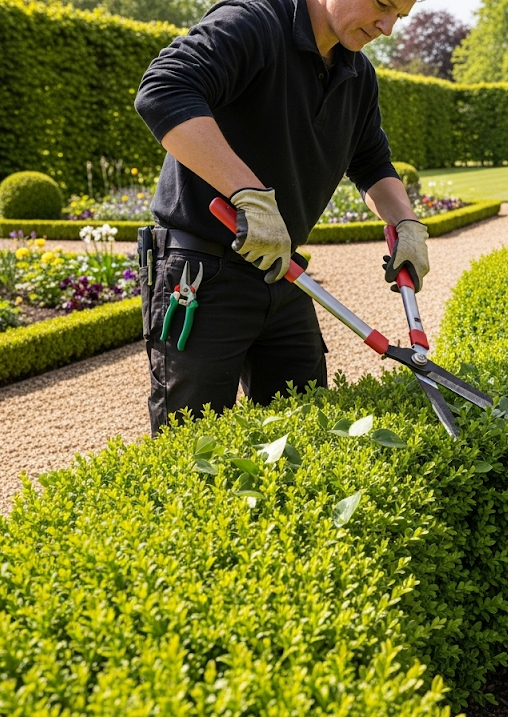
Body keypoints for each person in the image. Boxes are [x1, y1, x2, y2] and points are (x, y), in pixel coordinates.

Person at [133, 0, 428, 434]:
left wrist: (406, 223)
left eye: (399, 16)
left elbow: (372, 164)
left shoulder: (358, 75)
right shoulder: (252, 23)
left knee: (306, 429)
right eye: (383, 4)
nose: (387, 27)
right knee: (194, 444)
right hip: (200, 275)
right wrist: (247, 194)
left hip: (282, 271)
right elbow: (163, 89)